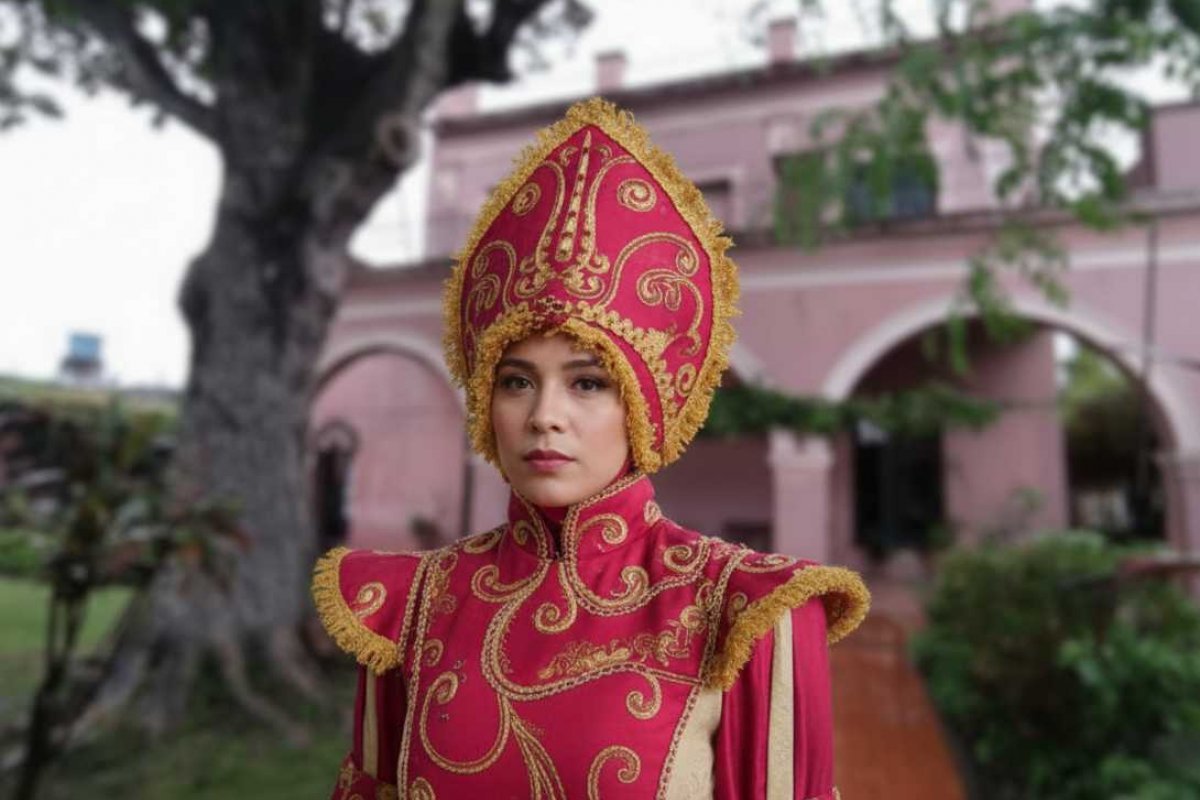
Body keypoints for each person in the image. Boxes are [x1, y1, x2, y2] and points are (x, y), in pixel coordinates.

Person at [312, 97, 869, 799]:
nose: (545, 417)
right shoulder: (414, 604)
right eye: (517, 381)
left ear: (645, 404)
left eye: (587, 383)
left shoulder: (745, 613)